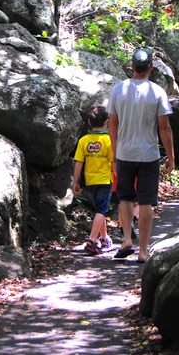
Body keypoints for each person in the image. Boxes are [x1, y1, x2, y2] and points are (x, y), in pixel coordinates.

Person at [108, 47, 175, 263]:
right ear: (151, 68)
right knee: (146, 203)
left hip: (124, 154)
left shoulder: (118, 90)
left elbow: (113, 125)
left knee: (125, 198)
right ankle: (143, 251)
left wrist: (114, 153)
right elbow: (164, 128)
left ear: (131, 66)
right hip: (148, 155)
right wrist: (171, 157)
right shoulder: (157, 92)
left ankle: (127, 238)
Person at [72, 105, 115, 255]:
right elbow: (113, 162)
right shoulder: (108, 140)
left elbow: (78, 162)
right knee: (101, 210)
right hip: (104, 180)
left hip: (90, 181)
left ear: (89, 122)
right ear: (106, 122)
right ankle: (91, 240)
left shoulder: (84, 140)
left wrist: (75, 181)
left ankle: (105, 238)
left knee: (99, 210)